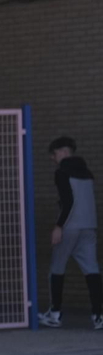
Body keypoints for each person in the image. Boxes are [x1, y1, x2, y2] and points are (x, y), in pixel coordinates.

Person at [39, 136, 101, 330]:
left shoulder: (62, 172)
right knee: (92, 270)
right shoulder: (87, 173)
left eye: (54, 154)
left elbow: (68, 201)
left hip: (70, 227)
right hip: (89, 226)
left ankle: (55, 314)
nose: (53, 159)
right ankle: (98, 315)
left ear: (63, 152)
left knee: (57, 269)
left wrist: (59, 226)